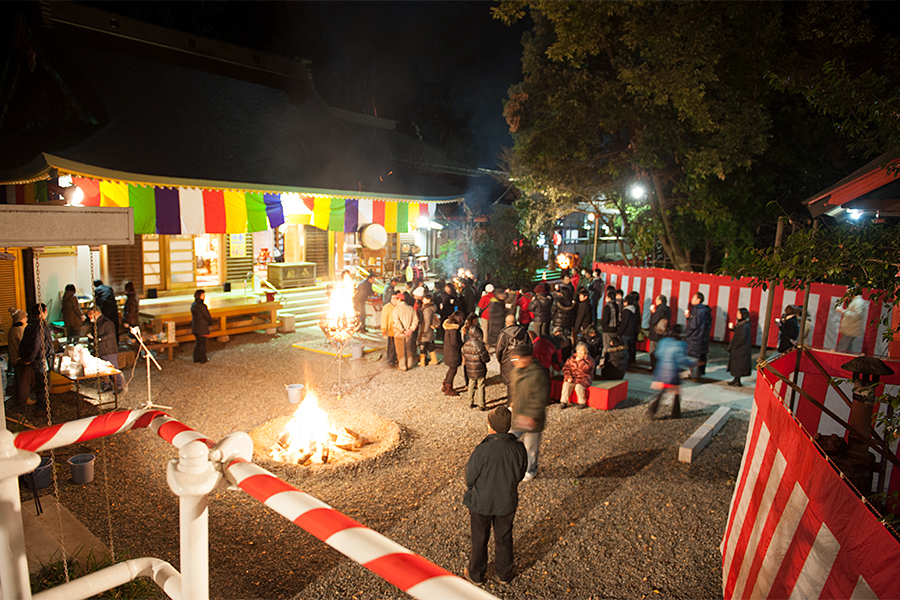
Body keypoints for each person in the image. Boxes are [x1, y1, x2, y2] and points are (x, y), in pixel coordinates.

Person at [463, 406, 527, 586]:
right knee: (504, 537)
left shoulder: (482, 450)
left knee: (479, 538)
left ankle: (476, 574)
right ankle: (504, 574)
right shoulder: (519, 448)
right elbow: (520, 474)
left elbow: (469, 477)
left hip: (482, 502)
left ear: (490, 426)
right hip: (506, 501)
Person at [510, 346, 549, 482]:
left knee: (531, 447)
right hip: (518, 415)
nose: (514, 362)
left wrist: (531, 416)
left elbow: (541, 398)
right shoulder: (516, 371)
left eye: (516, 359)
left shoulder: (539, 374)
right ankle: (514, 464)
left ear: (526, 358)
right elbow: (515, 391)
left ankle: (530, 469)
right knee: (509, 439)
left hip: (533, 418)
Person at [647, 325, 696, 420]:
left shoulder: (664, 341)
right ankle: (675, 413)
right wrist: (693, 363)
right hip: (672, 373)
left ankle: (652, 410)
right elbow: (682, 360)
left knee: (662, 392)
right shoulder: (681, 344)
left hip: (661, 371)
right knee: (677, 392)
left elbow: (657, 354)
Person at [17, 303, 53, 407]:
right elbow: (37, 344)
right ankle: (42, 406)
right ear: (42, 312)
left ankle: (40, 403)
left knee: (39, 381)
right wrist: (30, 358)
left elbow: (24, 343)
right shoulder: (39, 326)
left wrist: (26, 357)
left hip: (34, 358)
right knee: (43, 383)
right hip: (40, 358)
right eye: (45, 311)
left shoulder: (29, 326)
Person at [87, 306, 126, 391]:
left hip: (109, 350)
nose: (89, 316)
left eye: (90, 314)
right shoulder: (96, 324)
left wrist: (98, 339)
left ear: (96, 313)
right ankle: (106, 385)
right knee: (102, 369)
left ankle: (119, 385)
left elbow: (110, 335)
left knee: (113, 369)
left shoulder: (107, 323)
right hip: (101, 350)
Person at [496, 314, 533, 399]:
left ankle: (511, 401)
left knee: (510, 383)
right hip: (521, 360)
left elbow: (498, 349)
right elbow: (530, 347)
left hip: (508, 360)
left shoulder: (503, 334)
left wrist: (501, 360)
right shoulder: (523, 332)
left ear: (506, 323)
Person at [683, 292, 712, 380]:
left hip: (694, 338)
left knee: (693, 356)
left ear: (698, 300)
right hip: (701, 337)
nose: (692, 299)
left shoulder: (697, 310)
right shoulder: (705, 311)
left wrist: (686, 334)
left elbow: (693, 325)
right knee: (699, 355)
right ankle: (699, 372)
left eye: (693, 298)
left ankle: (694, 374)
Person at [462, 325, 491, 410]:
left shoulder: (466, 344)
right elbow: (485, 358)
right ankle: (481, 404)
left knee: (471, 384)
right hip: (480, 368)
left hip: (470, 368)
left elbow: (464, 354)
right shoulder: (479, 345)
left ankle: (470, 402)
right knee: (481, 385)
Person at [560, 342, 595, 409]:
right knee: (566, 385)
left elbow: (588, 370)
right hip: (573, 377)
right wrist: (568, 377)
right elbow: (566, 368)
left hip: (584, 378)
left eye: (582, 350)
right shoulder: (571, 358)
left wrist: (581, 361)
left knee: (578, 387)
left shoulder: (589, 359)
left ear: (585, 351)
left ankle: (582, 402)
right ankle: (564, 402)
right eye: (579, 350)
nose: (580, 352)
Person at [391, 295, 419, 371]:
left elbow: (396, 322)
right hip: (409, 333)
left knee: (400, 350)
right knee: (408, 348)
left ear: (399, 299)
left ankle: (402, 366)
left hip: (399, 333)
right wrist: (410, 329)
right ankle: (409, 364)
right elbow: (415, 320)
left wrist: (403, 330)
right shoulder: (411, 308)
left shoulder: (396, 309)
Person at [6, 308, 27, 405]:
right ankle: (22, 399)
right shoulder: (19, 330)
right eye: (25, 317)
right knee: (22, 380)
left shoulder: (12, 329)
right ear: (21, 319)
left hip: (13, 357)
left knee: (17, 378)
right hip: (19, 359)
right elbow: (23, 345)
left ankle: (17, 396)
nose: (26, 319)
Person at [442, 311, 464, 396]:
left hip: (448, 351)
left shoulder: (448, 325)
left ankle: (445, 384)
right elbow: (454, 342)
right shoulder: (454, 329)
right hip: (453, 352)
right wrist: (462, 344)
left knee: (451, 369)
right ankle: (448, 388)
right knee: (453, 369)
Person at [728, 308, 752, 387]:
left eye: (738, 314)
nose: (737, 315)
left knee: (739, 365)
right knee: (737, 365)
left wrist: (735, 345)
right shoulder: (743, 324)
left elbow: (741, 338)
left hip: (740, 349)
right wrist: (734, 329)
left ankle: (737, 381)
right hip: (741, 349)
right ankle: (736, 379)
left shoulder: (744, 325)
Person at [191, 289, 214, 364]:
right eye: (203, 295)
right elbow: (206, 316)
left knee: (198, 343)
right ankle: (203, 359)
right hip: (202, 327)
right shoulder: (202, 306)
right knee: (203, 344)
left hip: (196, 327)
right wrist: (210, 322)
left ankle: (196, 358)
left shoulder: (194, 305)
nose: (204, 296)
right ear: (200, 296)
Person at [647, 295, 670, 369]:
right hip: (663, 333)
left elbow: (652, 321)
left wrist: (653, 312)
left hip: (656, 333)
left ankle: (654, 367)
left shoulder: (660, 309)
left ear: (660, 301)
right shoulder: (668, 309)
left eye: (656, 299)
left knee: (653, 351)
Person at [617, 294, 639, 367]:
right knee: (631, 348)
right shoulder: (634, 310)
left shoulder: (626, 311)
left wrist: (619, 333)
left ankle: (625, 362)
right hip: (631, 332)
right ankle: (631, 361)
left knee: (625, 348)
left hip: (625, 332)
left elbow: (624, 323)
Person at [417, 293, 439, 367]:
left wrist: (424, 332)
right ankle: (434, 359)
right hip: (430, 330)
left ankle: (422, 362)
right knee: (429, 345)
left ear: (428, 300)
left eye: (424, 299)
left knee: (422, 346)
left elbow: (426, 321)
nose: (422, 300)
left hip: (425, 330)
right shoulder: (432, 307)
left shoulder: (426, 309)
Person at [381, 292, 402, 368]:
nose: (394, 300)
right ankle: (390, 361)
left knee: (399, 346)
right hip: (391, 330)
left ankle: (398, 359)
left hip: (399, 330)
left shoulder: (400, 306)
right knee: (391, 347)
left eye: (396, 298)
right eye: (393, 298)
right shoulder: (387, 307)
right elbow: (384, 319)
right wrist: (384, 329)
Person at [599, 289, 621, 358]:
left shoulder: (607, 306)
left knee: (607, 346)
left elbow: (606, 319)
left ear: (608, 298)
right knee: (614, 345)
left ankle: (607, 360)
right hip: (615, 328)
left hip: (607, 329)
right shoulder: (617, 305)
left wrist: (603, 324)